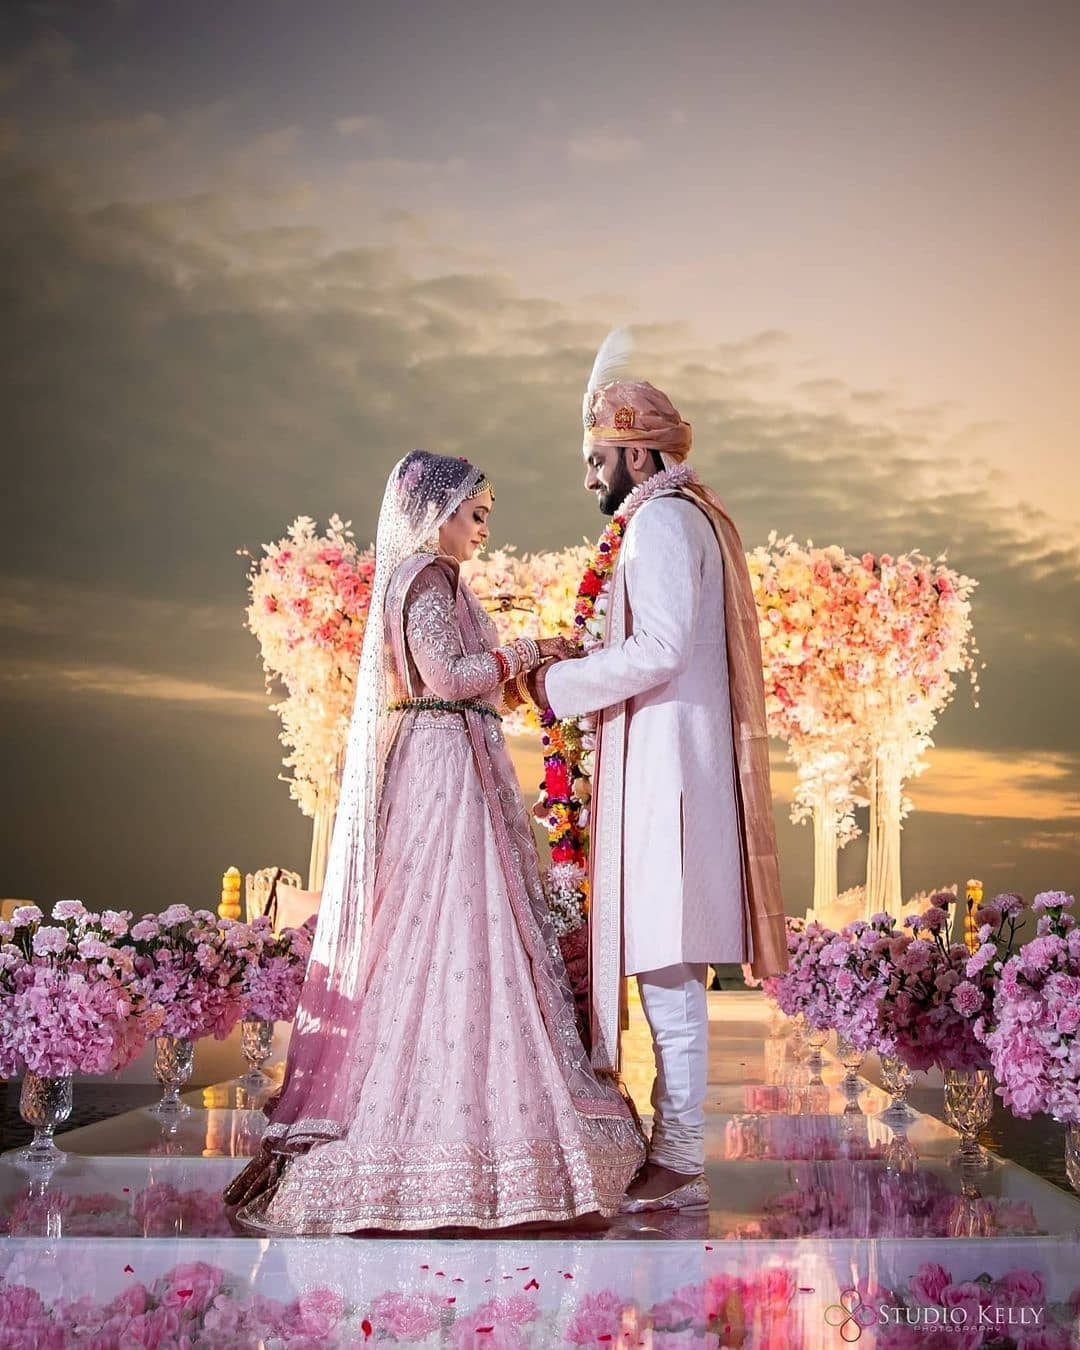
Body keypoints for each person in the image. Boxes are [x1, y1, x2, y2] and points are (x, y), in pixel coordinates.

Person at [226, 450, 643, 1233]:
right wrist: (530, 652)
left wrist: (526, 663)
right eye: (476, 516)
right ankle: (434, 1142)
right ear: (438, 512)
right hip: (444, 772)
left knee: (461, 931)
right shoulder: (424, 576)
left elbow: (462, 679)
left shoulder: (432, 579)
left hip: (456, 761)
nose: (483, 532)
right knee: (448, 923)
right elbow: (449, 677)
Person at [527, 331, 788, 1214]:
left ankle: (680, 1158)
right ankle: (671, 1149)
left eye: (597, 458)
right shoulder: (664, 520)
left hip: (671, 781)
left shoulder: (667, 523)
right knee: (661, 968)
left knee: (669, 970)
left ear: (638, 451)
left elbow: (665, 646)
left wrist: (559, 682)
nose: (590, 477)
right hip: (662, 774)